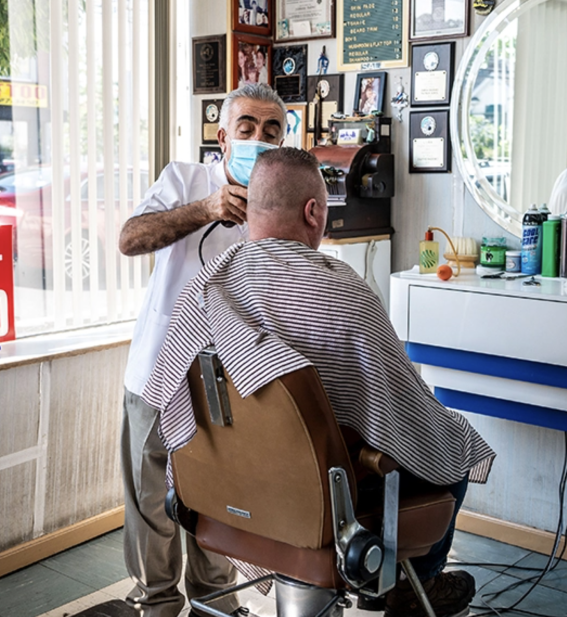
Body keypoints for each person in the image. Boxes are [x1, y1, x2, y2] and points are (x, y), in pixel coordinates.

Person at [142, 148, 496, 617]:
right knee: (454, 445)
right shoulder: (343, 291)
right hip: (320, 504)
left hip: (227, 493)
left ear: (250, 212)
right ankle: (410, 589)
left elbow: (170, 403)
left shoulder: (205, 288)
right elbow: (408, 415)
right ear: (314, 212)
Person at [117, 83, 287, 617]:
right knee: (151, 504)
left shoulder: (276, 207)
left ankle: (215, 605)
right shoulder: (184, 179)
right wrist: (205, 209)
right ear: (222, 137)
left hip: (227, 383)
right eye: (247, 128)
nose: (258, 139)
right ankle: (156, 604)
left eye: (271, 131)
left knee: (219, 502)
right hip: (158, 370)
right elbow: (129, 238)